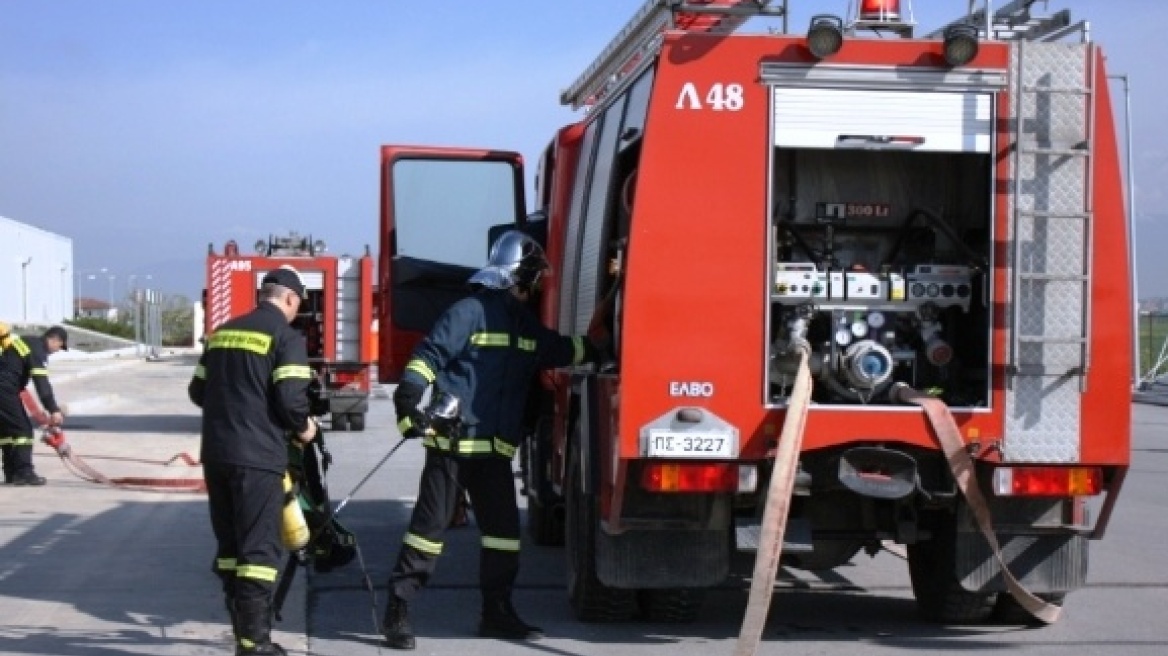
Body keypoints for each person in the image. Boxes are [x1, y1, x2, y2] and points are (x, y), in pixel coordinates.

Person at [382, 230, 604, 650]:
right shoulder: (467, 311)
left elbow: (558, 349)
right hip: (450, 446)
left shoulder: (522, 323)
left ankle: (496, 613)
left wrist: (600, 347)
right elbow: (427, 358)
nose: (535, 288)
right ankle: (398, 610)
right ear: (517, 276)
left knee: (503, 534)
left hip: (492, 452)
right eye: (533, 279)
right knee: (427, 532)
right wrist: (408, 401)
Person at [188, 265, 319, 656]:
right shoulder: (286, 336)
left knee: (230, 549)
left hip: (217, 455)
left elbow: (197, 391)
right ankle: (254, 643)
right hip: (258, 458)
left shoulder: (222, 332)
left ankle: (241, 630)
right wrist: (305, 428)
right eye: (299, 305)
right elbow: (291, 400)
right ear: (290, 299)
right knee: (259, 552)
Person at [0, 324, 69, 486]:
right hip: (4, 389)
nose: (57, 351)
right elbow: (42, 384)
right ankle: (24, 472)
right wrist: (53, 409)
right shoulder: (38, 350)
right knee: (23, 430)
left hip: (5, 388)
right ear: (54, 340)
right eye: (59, 347)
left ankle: (11, 472)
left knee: (8, 431)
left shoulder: (27, 342)